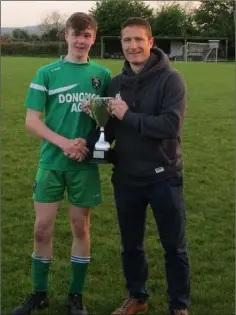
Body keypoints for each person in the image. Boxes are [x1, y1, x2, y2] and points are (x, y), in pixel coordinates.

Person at [84, 17, 190, 315]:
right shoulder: (116, 84)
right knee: (131, 245)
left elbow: (170, 125)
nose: (133, 46)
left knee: (174, 247)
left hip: (164, 177)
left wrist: (128, 115)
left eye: (138, 40)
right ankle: (137, 296)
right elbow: (110, 131)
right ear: (122, 44)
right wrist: (90, 138)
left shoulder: (172, 79)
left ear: (150, 42)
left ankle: (179, 306)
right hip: (127, 179)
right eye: (127, 40)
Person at [12, 12, 111, 315]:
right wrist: (64, 143)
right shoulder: (47, 72)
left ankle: (75, 296)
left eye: (88, 35)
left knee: (80, 227)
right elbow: (31, 121)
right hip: (52, 162)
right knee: (42, 229)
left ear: (94, 38)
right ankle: (39, 293)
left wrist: (88, 141)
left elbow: (107, 123)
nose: (81, 40)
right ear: (66, 35)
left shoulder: (102, 75)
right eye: (76, 34)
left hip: (84, 164)